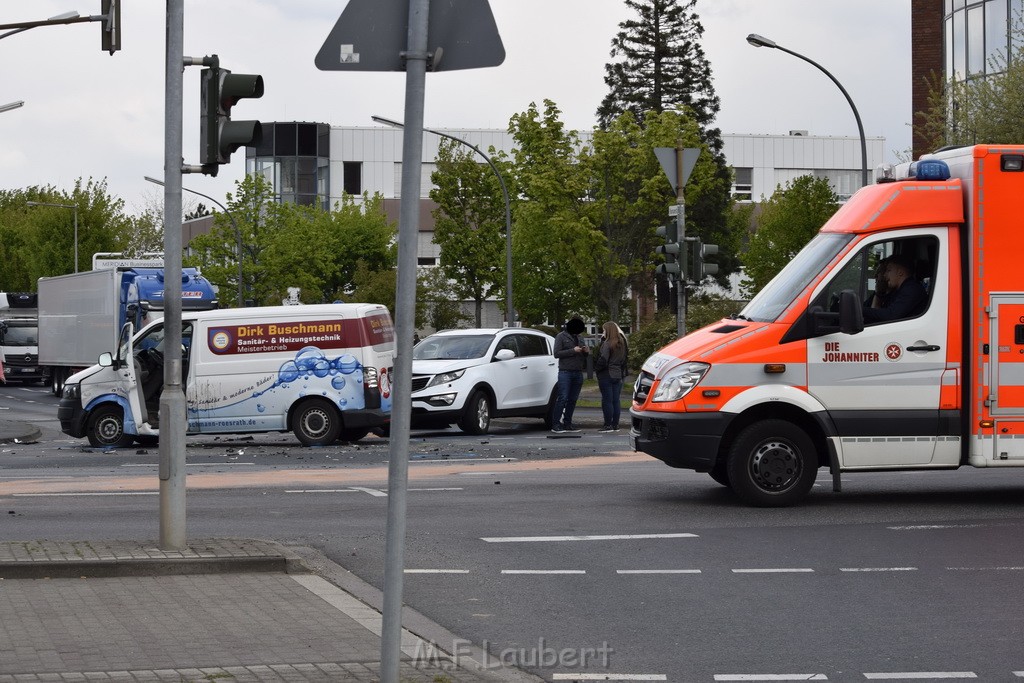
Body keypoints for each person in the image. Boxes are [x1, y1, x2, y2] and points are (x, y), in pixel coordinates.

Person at [863, 253, 927, 323]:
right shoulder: (898, 290)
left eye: (888, 270)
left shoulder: (912, 289)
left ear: (900, 272)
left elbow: (891, 315)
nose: (885, 275)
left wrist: (861, 310)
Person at [551, 316, 588, 433]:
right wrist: (573, 350)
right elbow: (556, 353)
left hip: (578, 371)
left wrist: (585, 352)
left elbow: (583, 356)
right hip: (565, 371)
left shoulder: (580, 337)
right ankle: (556, 424)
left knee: (573, 399)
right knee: (562, 398)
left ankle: (568, 423)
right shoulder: (561, 336)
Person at [594, 321, 629, 433]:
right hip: (617, 374)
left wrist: (597, 369)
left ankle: (607, 425)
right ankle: (615, 425)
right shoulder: (622, 344)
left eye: (604, 330)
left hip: (606, 374)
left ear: (608, 331)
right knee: (615, 401)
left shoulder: (607, 344)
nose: (603, 332)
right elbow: (624, 360)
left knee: (607, 401)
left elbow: (603, 359)